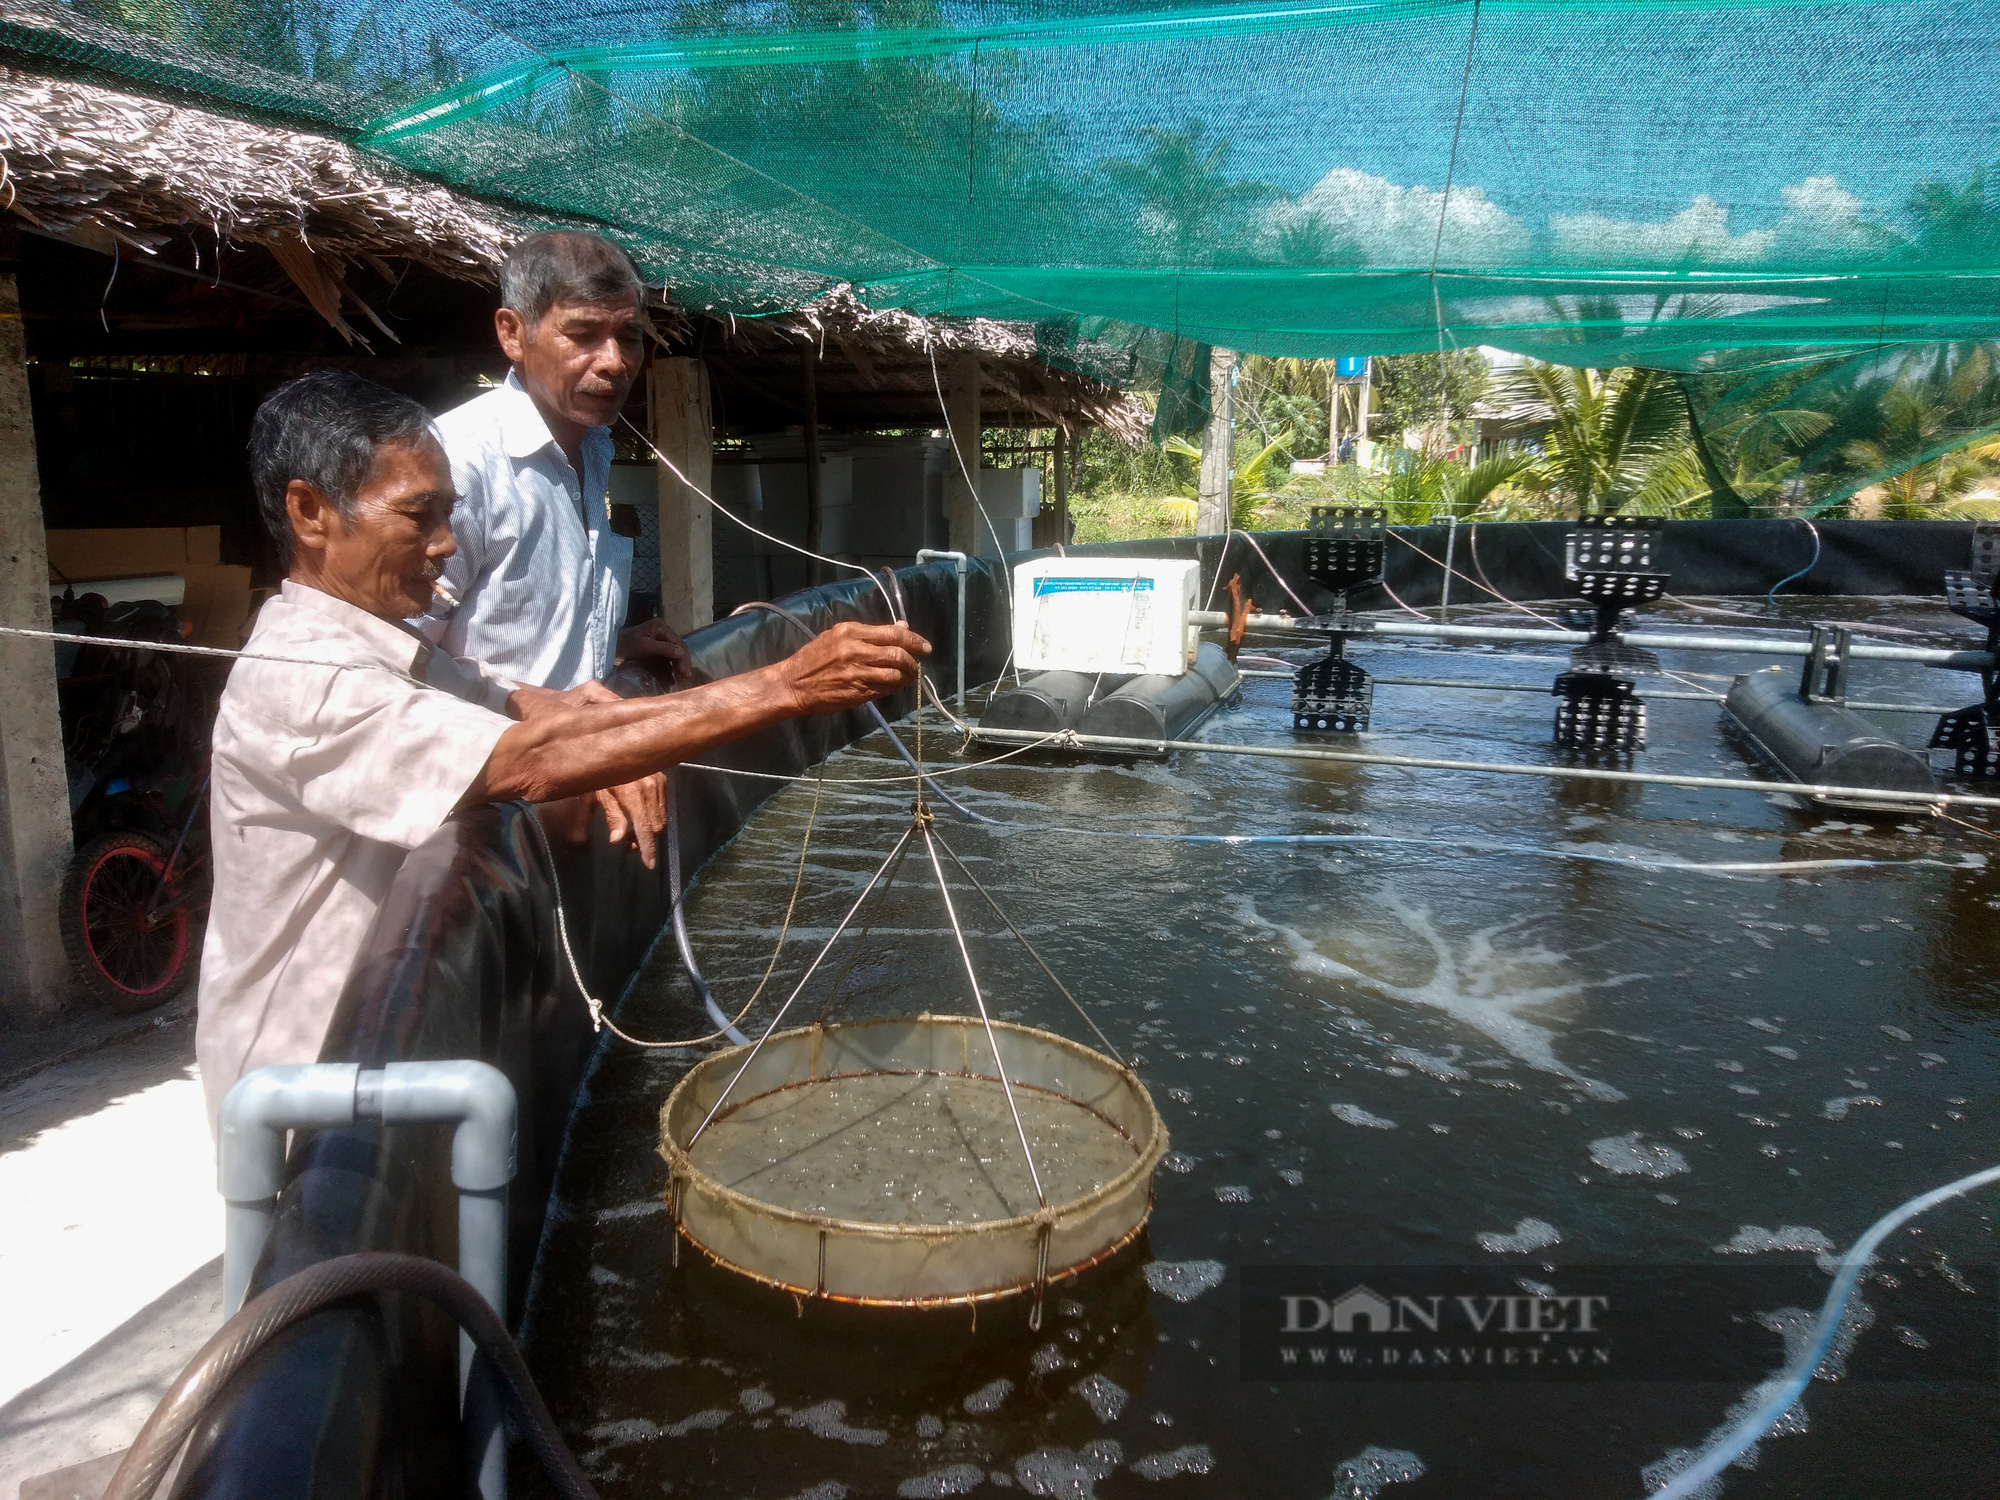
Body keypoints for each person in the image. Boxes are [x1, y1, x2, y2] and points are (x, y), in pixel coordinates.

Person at [194, 370, 928, 1128]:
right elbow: (530, 759)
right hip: (298, 1088)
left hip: (379, 1058)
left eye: (450, 515)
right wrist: (791, 686)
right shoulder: (305, 677)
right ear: (311, 512)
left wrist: (614, 737)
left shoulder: (389, 647)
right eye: (419, 517)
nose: (446, 545)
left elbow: (531, 708)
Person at [421, 229, 681, 862]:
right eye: (584, 334)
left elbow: (493, 625)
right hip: (475, 828)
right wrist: (536, 708)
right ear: (513, 334)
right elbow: (389, 661)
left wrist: (611, 643)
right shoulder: (458, 465)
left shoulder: (594, 447)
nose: (615, 361)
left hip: (568, 804)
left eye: (630, 337)